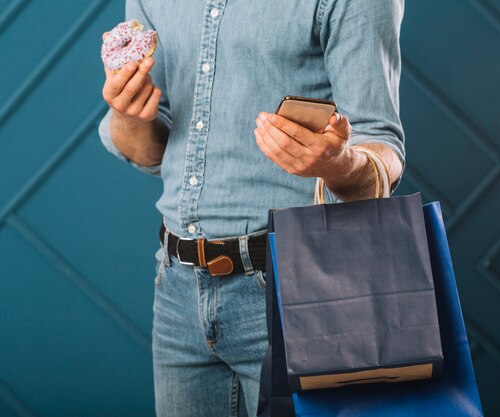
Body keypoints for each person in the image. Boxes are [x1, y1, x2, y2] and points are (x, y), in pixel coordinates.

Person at [98, 0, 405, 415]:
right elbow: (156, 149)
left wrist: (336, 164)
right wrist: (128, 115)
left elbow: (382, 148)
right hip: (177, 287)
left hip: (296, 289)